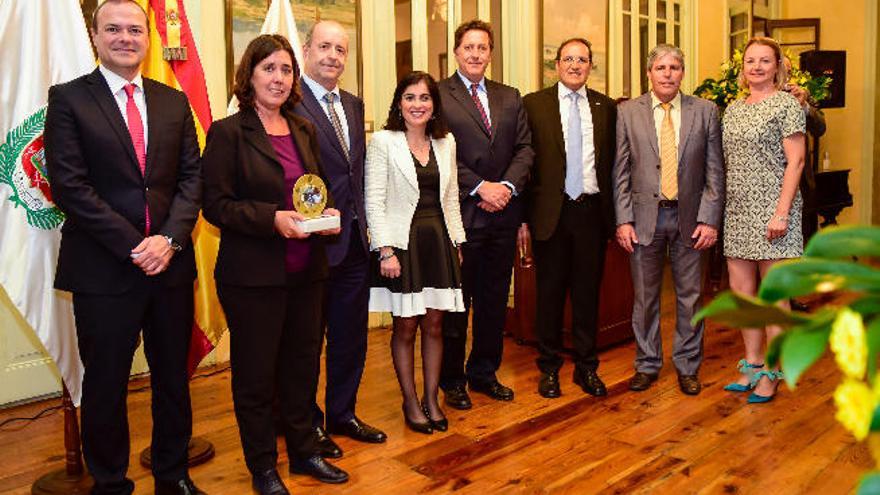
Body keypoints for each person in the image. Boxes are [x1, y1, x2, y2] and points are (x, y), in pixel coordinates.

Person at [44, 1, 203, 494]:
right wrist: (138, 246)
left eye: (135, 29)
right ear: (95, 36)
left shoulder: (173, 101)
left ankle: (173, 475)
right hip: (104, 270)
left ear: (149, 38)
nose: (125, 37)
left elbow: (192, 179)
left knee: (173, 381)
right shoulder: (69, 99)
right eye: (113, 29)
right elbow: (71, 187)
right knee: (107, 384)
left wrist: (170, 240)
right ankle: (111, 482)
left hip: (170, 267)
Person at [202, 34, 347, 494]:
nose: (279, 78)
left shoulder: (302, 129)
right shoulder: (227, 132)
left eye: (286, 70)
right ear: (250, 75)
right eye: (269, 69)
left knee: (302, 368)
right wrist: (272, 220)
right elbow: (216, 206)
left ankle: (305, 452)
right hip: (253, 278)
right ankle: (263, 466)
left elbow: (313, 189)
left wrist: (325, 216)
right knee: (256, 377)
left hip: (307, 270)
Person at [294, 20, 386, 457]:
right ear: (307, 49)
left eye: (340, 49)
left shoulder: (351, 104)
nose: (332, 55)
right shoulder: (289, 102)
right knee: (307, 341)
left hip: (352, 241)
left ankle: (343, 413)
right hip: (310, 245)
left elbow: (357, 172)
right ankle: (306, 424)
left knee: (351, 335)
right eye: (325, 46)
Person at [613, 44, 725, 396]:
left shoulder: (705, 111)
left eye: (674, 67)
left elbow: (714, 171)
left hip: (690, 221)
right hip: (644, 220)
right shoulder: (628, 112)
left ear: (682, 72)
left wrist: (709, 220)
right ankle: (647, 364)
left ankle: (688, 367)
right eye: (660, 68)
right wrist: (623, 220)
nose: (667, 74)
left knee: (690, 298)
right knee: (644, 299)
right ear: (649, 73)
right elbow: (621, 171)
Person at [438, 20, 534, 409]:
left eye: (483, 48)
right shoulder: (439, 95)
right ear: (457, 51)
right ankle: (452, 379)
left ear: (490, 54)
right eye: (469, 47)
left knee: (495, 299)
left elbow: (525, 149)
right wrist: (480, 187)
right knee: (457, 303)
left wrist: (506, 188)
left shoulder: (509, 96)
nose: (476, 54)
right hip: (461, 214)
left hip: (503, 216)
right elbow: (435, 152)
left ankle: (484, 372)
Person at [366, 71, 467, 434]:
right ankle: (410, 401)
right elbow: (373, 202)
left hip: (438, 240)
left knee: (436, 325)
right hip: (402, 244)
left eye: (424, 98)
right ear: (399, 103)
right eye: (410, 97)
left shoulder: (446, 143)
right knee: (406, 326)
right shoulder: (382, 142)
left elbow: (451, 197)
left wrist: (457, 242)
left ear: (434, 105)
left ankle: (431, 399)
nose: (417, 105)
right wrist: (385, 251)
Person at [520, 38, 616, 399]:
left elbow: (613, 166)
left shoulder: (606, 108)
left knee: (588, 294)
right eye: (568, 59)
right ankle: (548, 369)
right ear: (556, 65)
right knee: (549, 295)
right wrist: (523, 220)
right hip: (551, 214)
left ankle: (587, 367)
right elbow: (526, 164)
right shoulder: (534, 105)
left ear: (591, 66)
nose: (575, 65)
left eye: (582, 59)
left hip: (591, 213)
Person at [721, 36, 806, 404]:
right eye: (750, 61)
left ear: (777, 66)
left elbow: (797, 161)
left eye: (764, 61)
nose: (756, 67)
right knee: (744, 296)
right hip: (737, 211)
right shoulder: (732, 108)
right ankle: (752, 364)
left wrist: (782, 211)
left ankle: (773, 370)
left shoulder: (787, 105)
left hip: (774, 211)